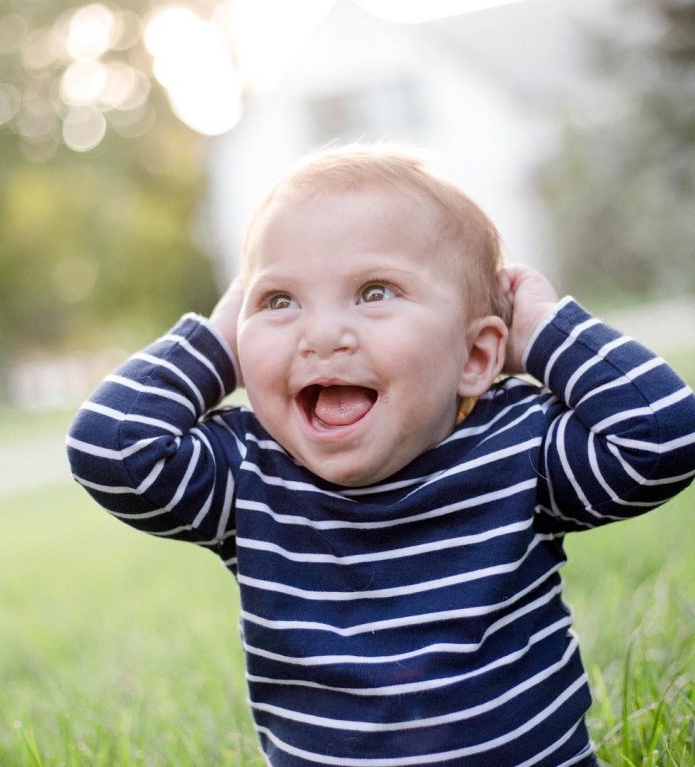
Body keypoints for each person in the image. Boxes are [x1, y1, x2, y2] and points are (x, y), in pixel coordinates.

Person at [67, 144, 695, 766]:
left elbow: (664, 435)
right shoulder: (251, 475)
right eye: (279, 301)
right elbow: (111, 448)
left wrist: (538, 330)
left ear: (478, 356)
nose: (320, 336)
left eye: (373, 292)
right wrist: (222, 337)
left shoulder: (517, 448)